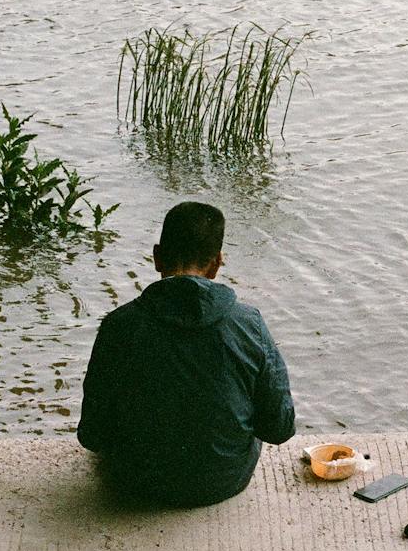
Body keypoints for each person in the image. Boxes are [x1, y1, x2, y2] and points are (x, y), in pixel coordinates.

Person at [78, 201, 296, 507]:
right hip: (223, 480)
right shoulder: (249, 324)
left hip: (137, 481)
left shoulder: (118, 326)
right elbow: (280, 427)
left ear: (156, 257)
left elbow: (92, 434)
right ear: (217, 263)